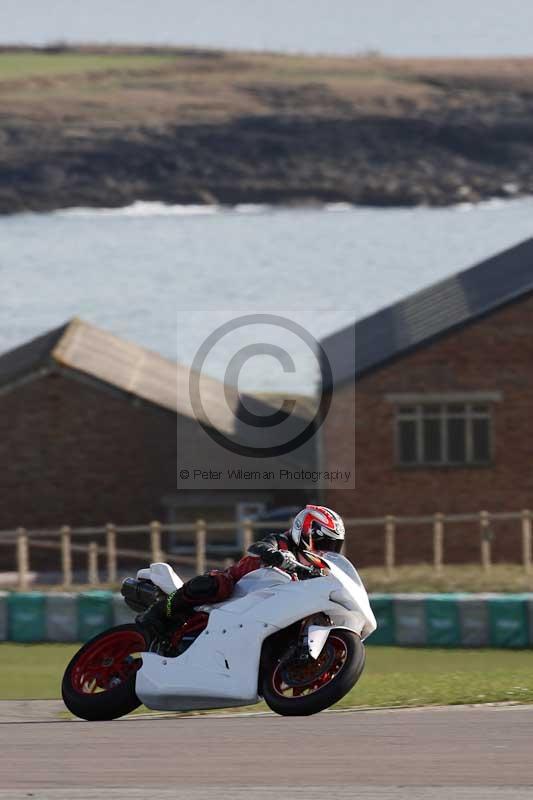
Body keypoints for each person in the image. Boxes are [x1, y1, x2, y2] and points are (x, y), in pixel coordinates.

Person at [137, 504, 345, 634]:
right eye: (324, 543)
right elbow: (257, 547)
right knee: (218, 585)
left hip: (266, 608)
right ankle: (159, 610)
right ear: (305, 531)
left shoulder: (315, 569)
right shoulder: (280, 542)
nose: (326, 551)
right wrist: (276, 556)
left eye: (333, 546)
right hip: (236, 589)